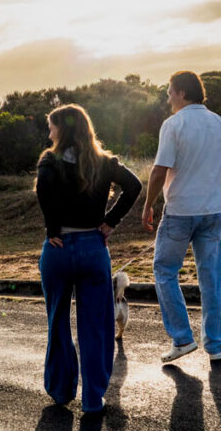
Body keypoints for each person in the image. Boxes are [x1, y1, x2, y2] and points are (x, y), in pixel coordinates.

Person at [35, 104, 142, 413]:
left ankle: (60, 391)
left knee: (58, 322)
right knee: (95, 327)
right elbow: (134, 186)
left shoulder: (49, 160)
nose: (49, 131)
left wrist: (52, 227)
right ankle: (93, 399)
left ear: (63, 129)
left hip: (58, 249)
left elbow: (43, 189)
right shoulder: (104, 162)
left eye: (52, 126)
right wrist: (110, 221)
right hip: (94, 249)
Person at [140, 71, 221, 364]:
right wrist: (210, 188)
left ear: (182, 93)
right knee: (211, 279)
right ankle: (215, 346)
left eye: (170, 92)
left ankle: (182, 338)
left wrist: (147, 206)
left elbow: (159, 170)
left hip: (180, 212)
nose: (168, 97)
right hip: (212, 212)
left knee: (164, 270)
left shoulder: (174, 125)